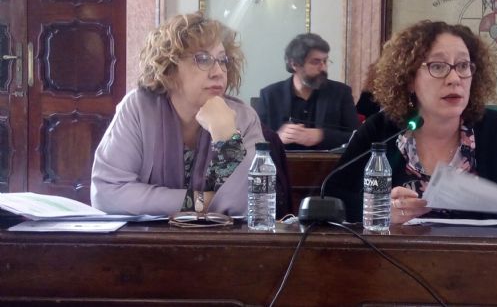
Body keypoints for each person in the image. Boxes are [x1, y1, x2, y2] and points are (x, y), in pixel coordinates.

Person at [325, 20, 497, 223]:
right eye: (437, 66)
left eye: (463, 66)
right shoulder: (382, 129)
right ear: (409, 79)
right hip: (396, 257)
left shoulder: (493, 129)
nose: (455, 78)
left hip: (480, 258)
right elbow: (330, 198)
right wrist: (379, 209)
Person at [91, 12, 264, 216]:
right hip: (147, 236)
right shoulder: (139, 108)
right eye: (203, 59)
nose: (218, 72)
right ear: (170, 68)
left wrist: (227, 137)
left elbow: (255, 204)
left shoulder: (243, 118)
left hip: (221, 237)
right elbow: (108, 193)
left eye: (222, 60)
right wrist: (199, 202)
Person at [257, 33, 360, 150]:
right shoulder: (270, 95)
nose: (323, 68)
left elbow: (357, 137)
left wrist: (321, 136)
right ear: (294, 64)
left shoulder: (341, 93)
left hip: (328, 161)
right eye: (315, 62)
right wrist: (277, 138)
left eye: (325, 61)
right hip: (283, 161)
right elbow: (254, 140)